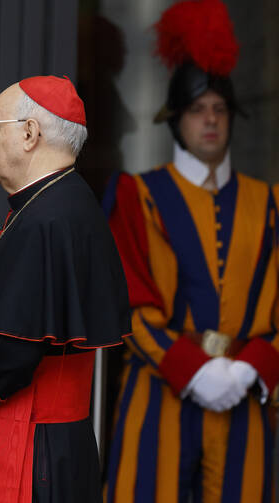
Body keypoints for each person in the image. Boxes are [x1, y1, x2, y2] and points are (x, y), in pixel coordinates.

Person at [0, 76, 131, 503]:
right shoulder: (64, 204)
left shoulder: (46, 220)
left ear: (29, 134)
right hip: (54, 448)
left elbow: (6, 356)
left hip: (28, 453)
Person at [104, 1, 278, 501]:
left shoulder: (269, 203)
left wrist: (253, 365)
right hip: (159, 392)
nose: (210, 121)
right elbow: (128, 301)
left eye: (219, 110)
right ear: (175, 119)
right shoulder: (137, 197)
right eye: (198, 110)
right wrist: (192, 370)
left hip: (244, 397)